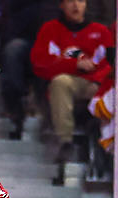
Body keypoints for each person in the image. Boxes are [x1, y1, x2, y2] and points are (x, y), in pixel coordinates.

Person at [29, 0, 112, 163]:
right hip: (67, 81)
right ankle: (65, 141)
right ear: (61, 5)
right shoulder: (50, 29)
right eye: (70, 1)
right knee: (60, 82)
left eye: (80, 1)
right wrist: (74, 64)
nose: (76, 6)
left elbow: (111, 63)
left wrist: (97, 81)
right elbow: (39, 64)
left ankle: (109, 147)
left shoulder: (101, 31)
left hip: (96, 83)